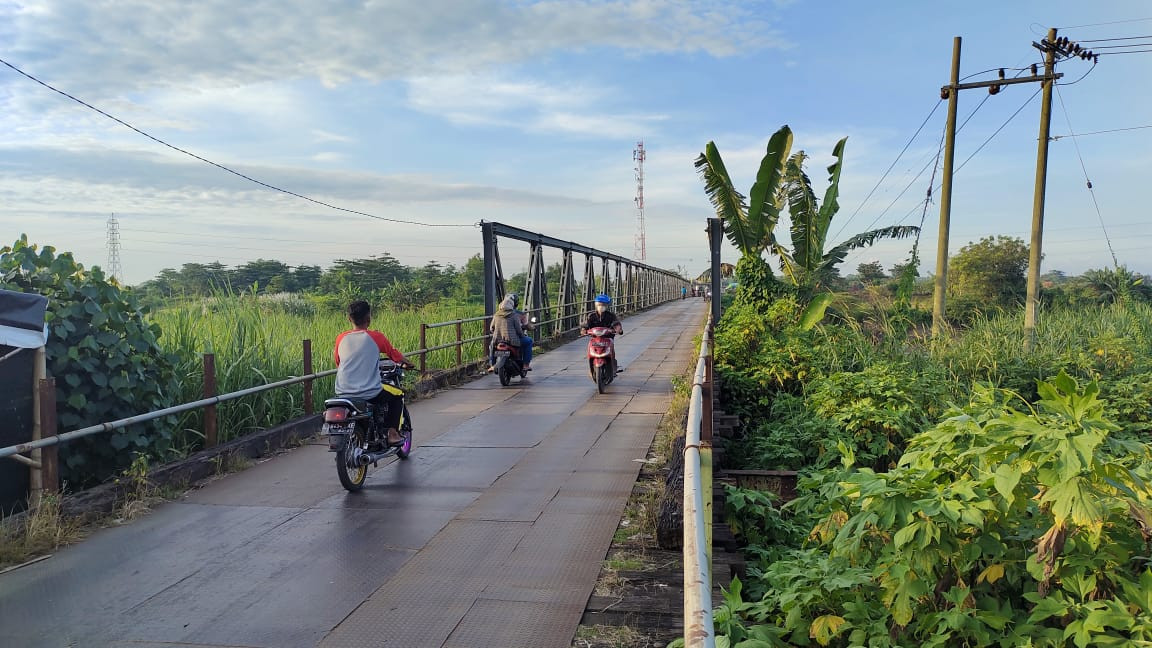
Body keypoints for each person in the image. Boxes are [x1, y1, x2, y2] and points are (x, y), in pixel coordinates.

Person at [334, 300, 412, 448]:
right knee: (398, 395)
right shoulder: (376, 337)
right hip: (369, 391)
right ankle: (392, 433)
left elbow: (338, 362)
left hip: (342, 390)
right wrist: (408, 363)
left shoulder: (341, 338)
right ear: (368, 319)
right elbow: (393, 354)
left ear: (349, 319)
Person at [489, 293, 534, 371]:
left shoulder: (496, 315)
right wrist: (522, 335)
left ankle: (492, 365)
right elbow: (518, 329)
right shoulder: (514, 315)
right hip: (512, 341)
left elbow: (492, 328)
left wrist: (497, 334)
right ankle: (526, 365)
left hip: (498, 340)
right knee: (529, 341)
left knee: (491, 346)